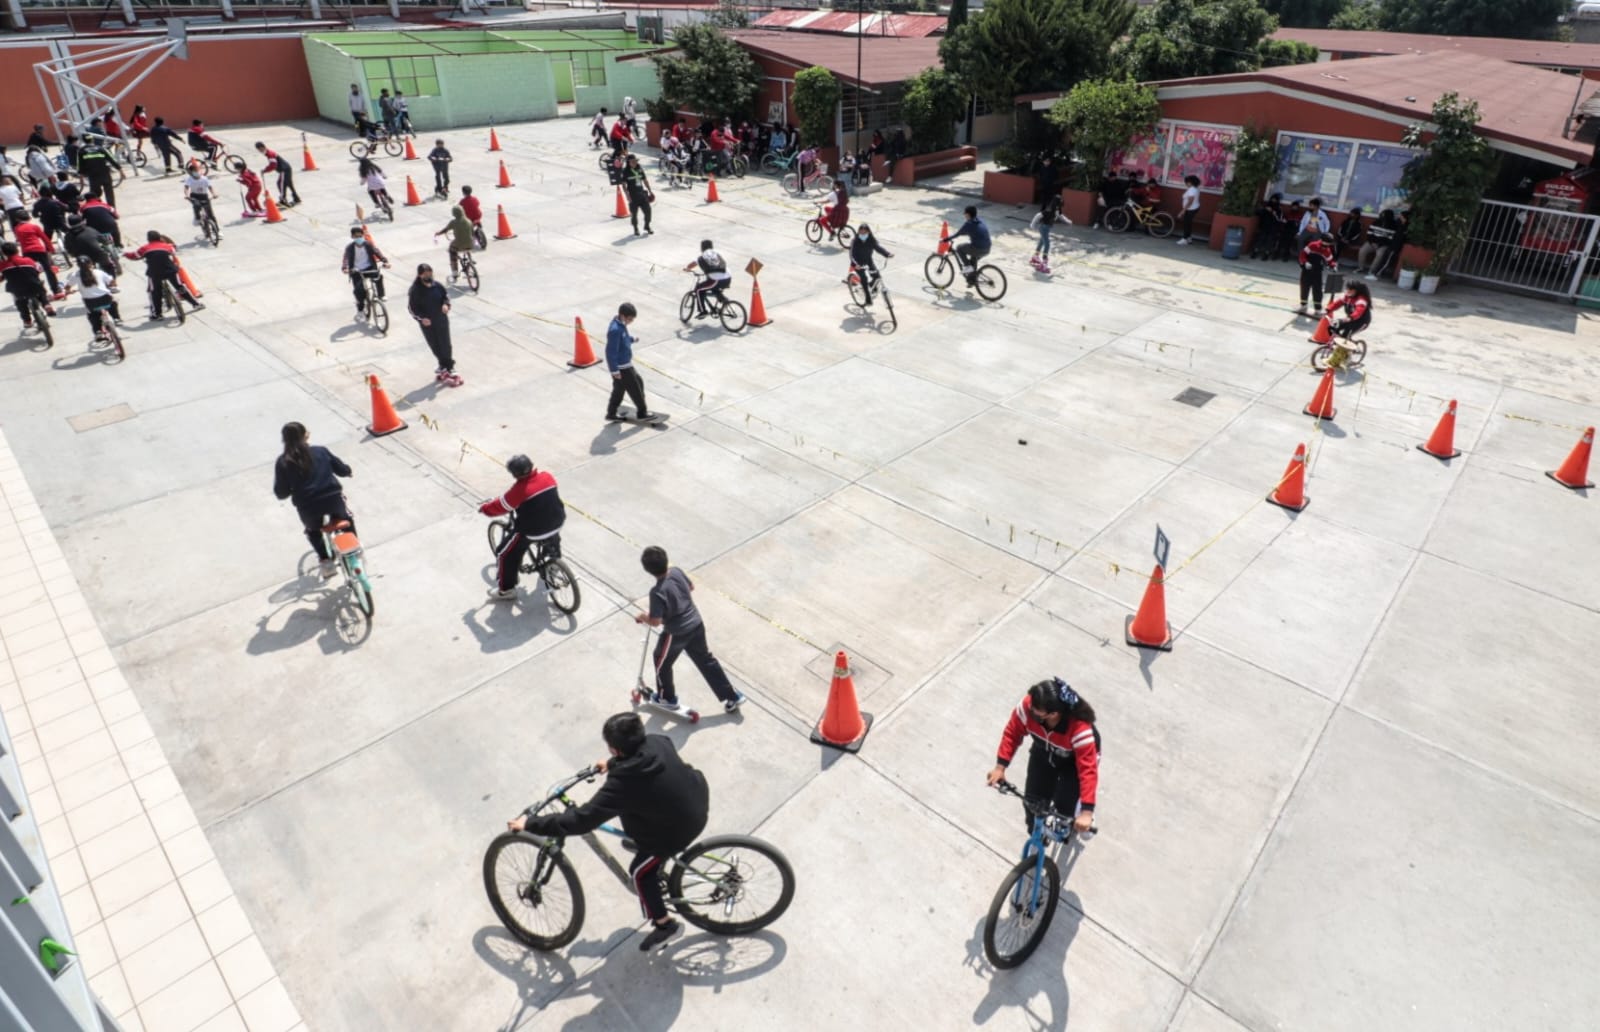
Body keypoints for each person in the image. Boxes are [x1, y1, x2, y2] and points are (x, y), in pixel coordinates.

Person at [507, 712, 709, 952]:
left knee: (639, 874)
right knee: (641, 815)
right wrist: (613, 764)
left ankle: (665, 926)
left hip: (677, 829)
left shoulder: (623, 785)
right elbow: (640, 760)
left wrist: (530, 824)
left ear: (615, 749)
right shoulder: (657, 741)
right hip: (696, 797)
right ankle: (650, 852)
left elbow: (581, 821)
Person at [636, 545, 744, 713]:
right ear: (666, 559)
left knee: (661, 661)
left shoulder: (656, 591)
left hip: (676, 633)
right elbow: (691, 587)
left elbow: (655, 622)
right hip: (696, 623)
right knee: (706, 660)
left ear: (647, 570)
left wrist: (643, 616)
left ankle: (667, 698)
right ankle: (732, 695)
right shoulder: (676, 571)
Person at [985, 678, 1100, 834]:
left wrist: (1087, 812)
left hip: (1074, 763)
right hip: (1044, 752)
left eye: (1035, 710)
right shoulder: (1028, 706)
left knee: (1064, 809)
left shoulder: (1080, 729)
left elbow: (1087, 771)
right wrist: (1000, 767)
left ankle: (1077, 810)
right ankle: (1035, 837)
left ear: (1053, 714)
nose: (1029, 709)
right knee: (1032, 803)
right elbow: (1012, 733)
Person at [272, 422, 354, 579]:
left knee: (313, 531)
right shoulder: (320, 451)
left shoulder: (283, 462)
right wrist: (348, 471)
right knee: (347, 519)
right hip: (332, 498)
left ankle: (325, 561)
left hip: (308, 506)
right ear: (306, 435)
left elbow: (281, 493)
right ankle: (354, 549)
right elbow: (341, 469)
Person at [479, 455, 565, 601]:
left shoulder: (519, 490)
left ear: (515, 474)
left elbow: (501, 506)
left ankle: (506, 590)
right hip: (558, 520)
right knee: (551, 531)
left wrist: (485, 509)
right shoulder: (547, 477)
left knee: (504, 554)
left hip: (532, 530)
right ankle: (553, 560)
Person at [124, 230, 203, 319]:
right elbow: (173, 249)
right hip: (170, 271)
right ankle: (196, 304)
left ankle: (157, 314)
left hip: (155, 273)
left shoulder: (145, 248)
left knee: (155, 292)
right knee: (180, 287)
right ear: (159, 238)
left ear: (148, 239)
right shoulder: (167, 246)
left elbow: (135, 256)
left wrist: (125, 254)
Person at [408, 263, 460, 386]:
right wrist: (422, 319)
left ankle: (449, 366)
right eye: (425, 274)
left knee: (445, 344)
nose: (428, 275)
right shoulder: (415, 290)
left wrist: (446, 305)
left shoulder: (437, 286)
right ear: (420, 275)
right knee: (435, 345)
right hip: (428, 324)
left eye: (430, 273)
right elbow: (412, 308)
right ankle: (442, 365)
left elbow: (445, 297)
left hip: (441, 320)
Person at [605, 302, 652, 421]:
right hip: (622, 367)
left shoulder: (620, 324)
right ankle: (642, 412)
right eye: (630, 319)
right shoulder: (615, 330)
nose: (631, 321)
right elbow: (610, 352)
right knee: (635, 388)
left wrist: (632, 339)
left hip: (624, 364)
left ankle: (611, 413)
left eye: (632, 319)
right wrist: (614, 370)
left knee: (619, 389)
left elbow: (624, 338)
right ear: (622, 315)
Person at [0, 242, 56, 336]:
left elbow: (3, 276)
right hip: (34, 286)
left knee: (19, 301)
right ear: (17, 250)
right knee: (41, 289)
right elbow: (38, 269)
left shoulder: (3, 265)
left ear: (4, 254)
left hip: (18, 290)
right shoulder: (28, 260)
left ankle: (27, 320)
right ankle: (46, 304)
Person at [341, 225, 390, 321]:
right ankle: (360, 310)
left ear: (363, 235)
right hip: (357, 271)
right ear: (352, 237)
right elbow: (346, 258)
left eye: (360, 236)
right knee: (359, 291)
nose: (359, 238)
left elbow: (377, 252)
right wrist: (345, 268)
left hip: (369, 267)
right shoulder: (350, 248)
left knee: (379, 277)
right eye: (356, 236)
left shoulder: (368, 244)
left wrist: (385, 261)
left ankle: (381, 295)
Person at [13, 216, 63, 298]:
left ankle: (40, 291)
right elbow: (45, 238)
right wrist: (51, 249)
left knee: (33, 273)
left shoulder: (17, 229)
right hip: (39, 250)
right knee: (48, 270)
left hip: (27, 252)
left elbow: (18, 239)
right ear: (28, 218)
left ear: (18, 219)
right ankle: (55, 289)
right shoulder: (34, 227)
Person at [942, 205, 992, 285]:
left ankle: (968, 268)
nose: (964, 216)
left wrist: (946, 239)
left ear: (968, 215)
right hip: (987, 248)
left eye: (965, 214)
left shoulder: (968, 224)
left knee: (959, 248)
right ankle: (972, 280)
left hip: (978, 248)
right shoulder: (980, 221)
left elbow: (957, 234)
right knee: (973, 260)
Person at [74, 255, 120, 340]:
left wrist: (68, 291)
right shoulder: (98, 272)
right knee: (113, 302)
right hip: (105, 298)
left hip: (90, 302)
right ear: (91, 263)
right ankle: (116, 318)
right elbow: (112, 281)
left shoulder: (75, 275)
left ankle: (98, 331)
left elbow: (67, 287)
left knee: (92, 315)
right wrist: (113, 285)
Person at [682, 239, 731, 318]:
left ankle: (703, 311)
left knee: (698, 289)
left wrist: (687, 268)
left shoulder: (702, 256)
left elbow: (692, 264)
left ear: (702, 247)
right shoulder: (717, 253)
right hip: (728, 277)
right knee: (712, 287)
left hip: (717, 280)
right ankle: (724, 300)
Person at [848, 223, 892, 304]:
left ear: (869, 232)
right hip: (857, 263)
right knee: (864, 278)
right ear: (858, 233)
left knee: (877, 276)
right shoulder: (854, 241)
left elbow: (878, 248)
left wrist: (887, 254)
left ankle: (871, 287)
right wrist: (856, 265)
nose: (863, 234)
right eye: (861, 233)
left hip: (868, 261)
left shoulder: (871, 240)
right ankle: (867, 298)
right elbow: (852, 255)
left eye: (865, 233)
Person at [1297, 232, 1338, 314]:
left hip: (1317, 272)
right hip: (1307, 271)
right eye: (1326, 243)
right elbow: (1302, 254)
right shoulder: (1312, 245)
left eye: (1328, 244)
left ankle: (1318, 309)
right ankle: (1303, 305)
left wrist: (1333, 266)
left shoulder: (1327, 250)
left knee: (1317, 290)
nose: (1326, 246)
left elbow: (1330, 260)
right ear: (1321, 240)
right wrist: (1305, 262)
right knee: (1305, 288)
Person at [75, 135, 120, 209]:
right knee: (109, 193)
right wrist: (120, 169)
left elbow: (80, 164)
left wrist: (81, 176)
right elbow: (112, 159)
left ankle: (97, 208)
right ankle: (112, 209)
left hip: (93, 176)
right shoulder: (101, 148)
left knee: (94, 194)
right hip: (105, 174)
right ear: (92, 140)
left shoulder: (82, 151)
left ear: (83, 141)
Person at [1029, 194, 1070, 272]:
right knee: (1047, 244)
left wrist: (1067, 221)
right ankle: (1044, 263)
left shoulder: (1057, 209)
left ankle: (1035, 257)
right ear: (1057, 203)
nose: (1061, 203)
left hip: (1047, 228)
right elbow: (1038, 215)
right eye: (1060, 202)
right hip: (1043, 228)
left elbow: (1060, 216)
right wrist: (1033, 225)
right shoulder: (1050, 210)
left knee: (1041, 242)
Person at [433, 205, 474, 282]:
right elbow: (472, 233)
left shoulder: (453, 222)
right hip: (470, 244)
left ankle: (455, 273)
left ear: (454, 214)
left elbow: (445, 230)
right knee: (467, 246)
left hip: (459, 244)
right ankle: (470, 260)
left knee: (452, 251)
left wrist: (438, 233)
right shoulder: (469, 221)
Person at [254, 142, 301, 207]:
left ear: (262, 147)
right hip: (286, 169)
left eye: (259, 149)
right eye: (258, 150)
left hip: (284, 170)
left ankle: (283, 200)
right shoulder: (268, 153)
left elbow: (273, 165)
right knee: (288, 184)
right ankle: (296, 198)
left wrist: (265, 170)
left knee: (280, 184)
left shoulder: (270, 154)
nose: (259, 151)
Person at [1357, 208, 1399, 278]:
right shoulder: (1376, 222)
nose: (1382, 216)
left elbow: (1390, 239)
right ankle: (1360, 268)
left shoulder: (1393, 226)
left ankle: (1371, 271)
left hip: (1383, 245)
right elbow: (1369, 233)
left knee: (1379, 254)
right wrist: (1372, 242)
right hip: (1372, 242)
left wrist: (1379, 244)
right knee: (1362, 250)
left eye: (1384, 215)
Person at [623, 153, 654, 236]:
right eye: (632, 161)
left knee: (648, 211)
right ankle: (635, 228)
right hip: (633, 196)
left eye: (635, 161)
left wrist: (650, 191)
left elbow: (645, 180)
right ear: (628, 163)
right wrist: (627, 195)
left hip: (642, 194)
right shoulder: (625, 172)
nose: (634, 163)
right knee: (634, 214)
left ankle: (647, 226)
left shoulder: (639, 169)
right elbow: (624, 185)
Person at [1249, 192, 1287, 260]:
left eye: (1275, 200)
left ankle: (1266, 253)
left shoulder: (1278, 209)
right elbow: (1258, 213)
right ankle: (1255, 251)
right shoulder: (1266, 206)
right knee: (1261, 238)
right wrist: (1264, 209)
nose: (1273, 201)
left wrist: (1273, 212)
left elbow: (1280, 219)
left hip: (1273, 227)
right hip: (1264, 226)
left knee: (1270, 240)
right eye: (1272, 199)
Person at [181, 164, 218, 229]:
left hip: (204, 196)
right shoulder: (189, 179)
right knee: (197, 205)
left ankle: (217, 230)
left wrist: (214, 194)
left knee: (211, 215)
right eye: (195, 171)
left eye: (198, 170)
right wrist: (186, 195)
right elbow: (186, 188)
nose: (197, 172)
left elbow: (210, 187)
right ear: (191, 172)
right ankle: (197, 218)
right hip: (195, 196)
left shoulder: (204, 178)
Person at [1177, 174, 1201, 245]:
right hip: (1193, 208)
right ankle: (1189, 238)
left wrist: (1183, 211)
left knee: (1186, 224)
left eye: (1186, 182)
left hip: (1191, 209)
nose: (1186, 184)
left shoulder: (1192, 189)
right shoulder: (1195, 189)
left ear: (1190, 182)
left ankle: (1184, 239)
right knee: (1188, 223)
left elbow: (1190, 201)